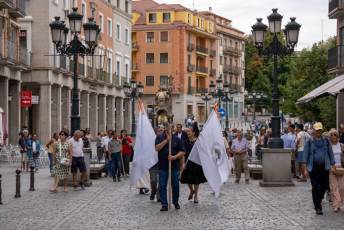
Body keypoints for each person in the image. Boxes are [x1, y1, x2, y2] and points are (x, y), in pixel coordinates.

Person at [302, 122, 336, 215]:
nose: (318, 132)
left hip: (324, 166)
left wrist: (333, 165)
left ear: (322, 130)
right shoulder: (310, 141)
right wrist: (305, 169)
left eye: (320, 130)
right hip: (313, 167)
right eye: (317, 130)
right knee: (315, 186)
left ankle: (319, 197)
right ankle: (318, 207)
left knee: (325, 185)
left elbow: (330, 153)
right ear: (313, 130)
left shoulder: (326, 141)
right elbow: (305, 155)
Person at [155, 124, 185, 211]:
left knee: (175, 185)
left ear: (173, 128)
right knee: (162, 185)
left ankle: (175, 202)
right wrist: (166, 141)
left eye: (171, 127)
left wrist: (174, 157)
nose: (169, 129)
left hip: (174, 166)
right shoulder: (159, 137)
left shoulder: (177, 139)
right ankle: (164, 204)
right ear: (165, 129)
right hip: (163, 166)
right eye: (167, 128)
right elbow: (157, 148)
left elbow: (182, 151)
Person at [180, 123, 206, 204]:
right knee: (188, 180)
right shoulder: (184, 142)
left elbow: (202, 152)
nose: (188, 134)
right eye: (187, 132)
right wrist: (183, 164)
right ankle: (191, 191)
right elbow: (183, 153)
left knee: (196, 180)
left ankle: (196, 196)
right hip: (188, 163)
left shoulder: (198, 142)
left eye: (189, 132)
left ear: (193, 133)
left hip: (197, 163)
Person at [328, 129, 344, 212]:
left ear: (338, 136)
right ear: (329, 137)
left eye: (335, 135)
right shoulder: (328, 146)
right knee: (334, 188)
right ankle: (336, 205)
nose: (333, 136)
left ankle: (339, 203)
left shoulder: (341, 145)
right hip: (332, 168)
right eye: (331, 135)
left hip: (340, 168)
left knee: (341, 187)